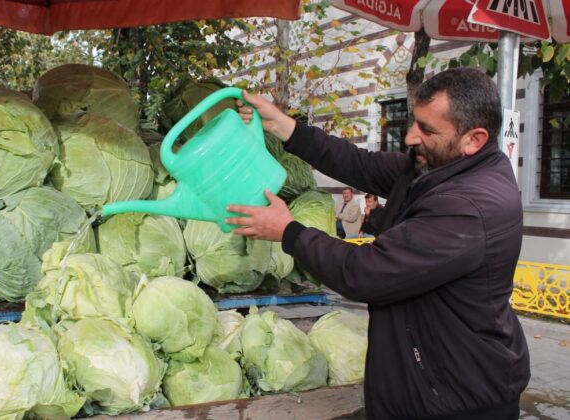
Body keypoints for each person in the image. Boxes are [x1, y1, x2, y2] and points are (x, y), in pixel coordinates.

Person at [227, 68, 530, 420]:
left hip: (455, 398)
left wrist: (289, 232)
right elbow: (360, 164)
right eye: (414, 122)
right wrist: (284, 127)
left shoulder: (470, 206)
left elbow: (366, 272)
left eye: (428, 130)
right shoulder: (436, 167)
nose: (411, 138)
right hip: (426, 386)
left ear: (474, 139)